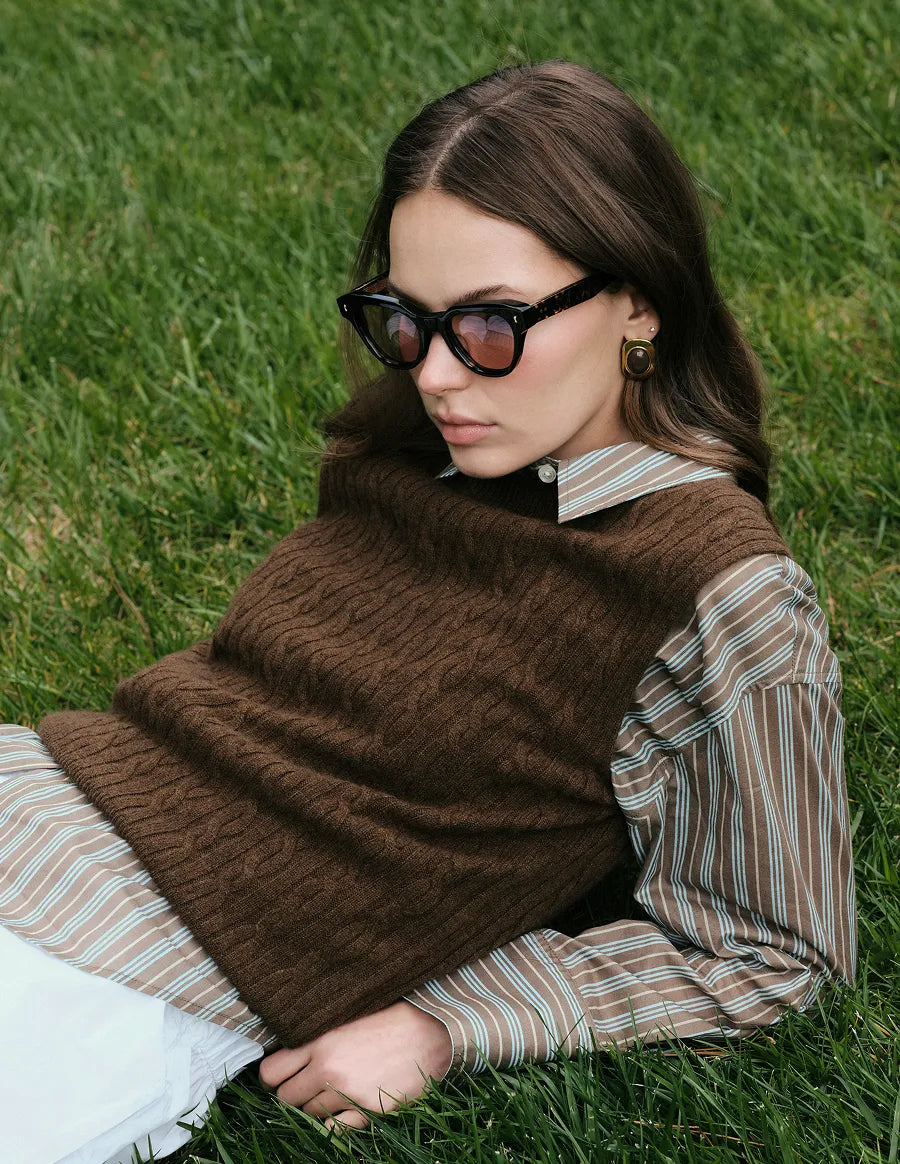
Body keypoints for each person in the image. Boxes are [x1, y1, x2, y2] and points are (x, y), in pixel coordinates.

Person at [0, 59, 855, 1164]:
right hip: (44, 797)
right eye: (404, 322)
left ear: (638, 299)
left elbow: (774, 948)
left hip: (129, 973)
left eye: (492, 324)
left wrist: (447, 1024)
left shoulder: (716, 593)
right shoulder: (429, 455)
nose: (438, 376)